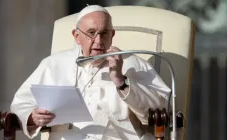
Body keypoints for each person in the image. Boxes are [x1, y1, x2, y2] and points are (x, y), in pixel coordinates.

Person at [10, 5, 171, 140]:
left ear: (112, 35)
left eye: (104, 33)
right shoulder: (53, 64)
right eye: (91, 33)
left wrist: (122, 82)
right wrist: (33, 117)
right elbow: (21, 103)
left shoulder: (132, 63)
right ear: (77, 36)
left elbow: (163, 110)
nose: (99, 41)